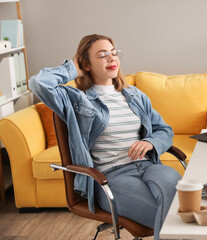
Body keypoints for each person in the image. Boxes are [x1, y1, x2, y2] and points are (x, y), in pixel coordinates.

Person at [29, 34, 181, 240]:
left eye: (114, 53)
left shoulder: (135, 95)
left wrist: (150, 142)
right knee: (176, 219)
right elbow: (39, 83)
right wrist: (73, 68)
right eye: (102, 55)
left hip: (149, 167)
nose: (111, 59)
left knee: (185, 206)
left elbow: (165, 131)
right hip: (112, 178)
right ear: (86, 64)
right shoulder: (76, 100)